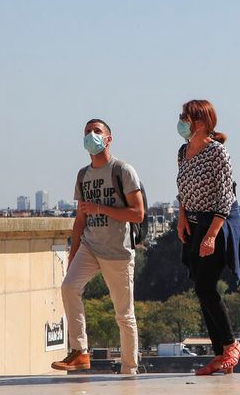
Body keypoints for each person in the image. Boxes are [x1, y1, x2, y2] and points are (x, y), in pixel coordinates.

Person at [51, 119, 144, 374]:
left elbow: (138, 214)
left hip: (118, 252)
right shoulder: (83, 175)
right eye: (87, 132)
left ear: (108, 139)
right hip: (90, 246)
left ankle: (129, 369)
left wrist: (100, 209)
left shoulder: (123, 170)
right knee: (69, 287)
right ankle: (80, 351)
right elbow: (80, 219)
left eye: (97, 131)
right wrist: (73, 253)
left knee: (124, 315)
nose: (91, 135)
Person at [176, 100, 240, 375]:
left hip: (218, 223)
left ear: (202, 122)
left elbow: (225, 196)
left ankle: (231, 345)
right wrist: (183, 217)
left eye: (186, 117)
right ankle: (221, 354)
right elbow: (182, 187)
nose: (182, 121)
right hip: (195, 223)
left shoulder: (217, 152)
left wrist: (211, 236)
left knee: (205, 286)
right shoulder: (183, 152)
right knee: (200, 288)